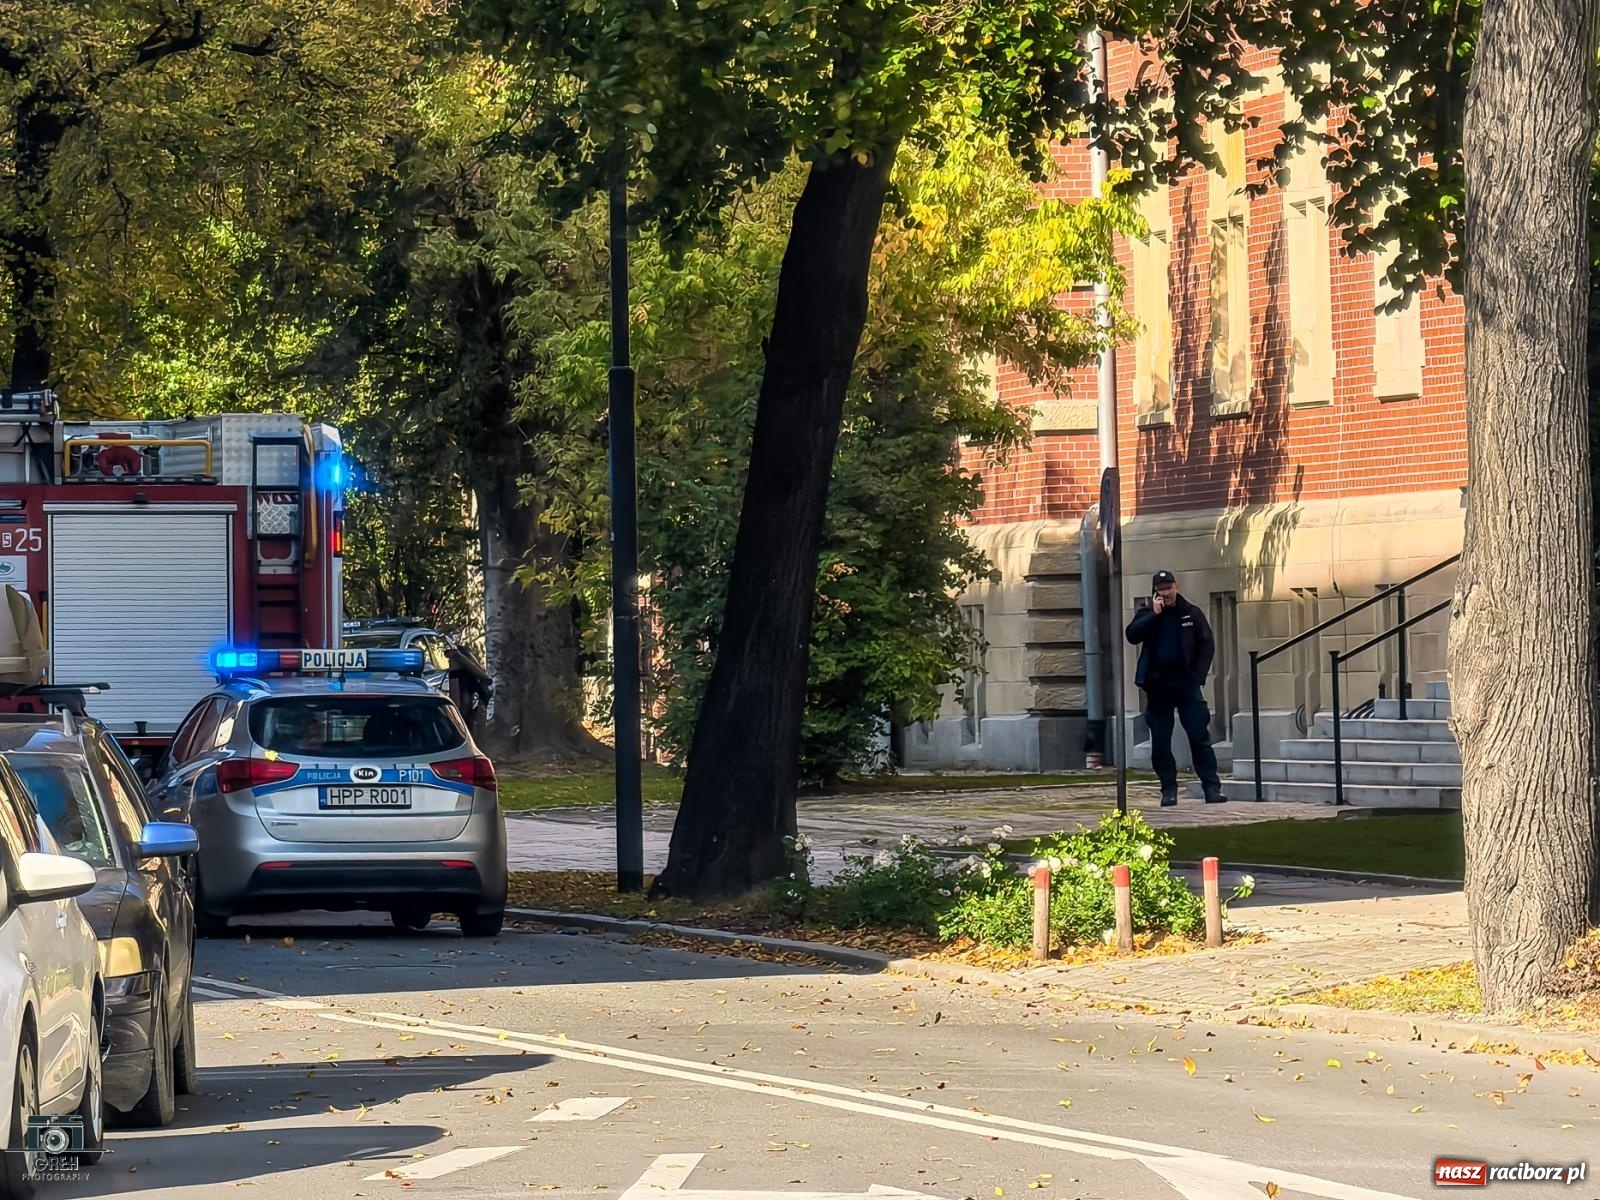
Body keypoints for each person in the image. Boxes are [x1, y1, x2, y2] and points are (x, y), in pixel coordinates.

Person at [1125, 570, 1225, 806]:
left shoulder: (1191, 613)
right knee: (1160, 740)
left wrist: (1198, 676)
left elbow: (1207, 644)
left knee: (1199, 735)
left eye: (1169, 588)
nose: (1166, 594)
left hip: (1186, 684)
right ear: (1155, 593)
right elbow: (1132, 635)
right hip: (1158, 686)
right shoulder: (1148, 615)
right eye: (1161, 590)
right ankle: (1168, 789)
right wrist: (1153, 615)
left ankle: (1211, 787)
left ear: (1176, 587)